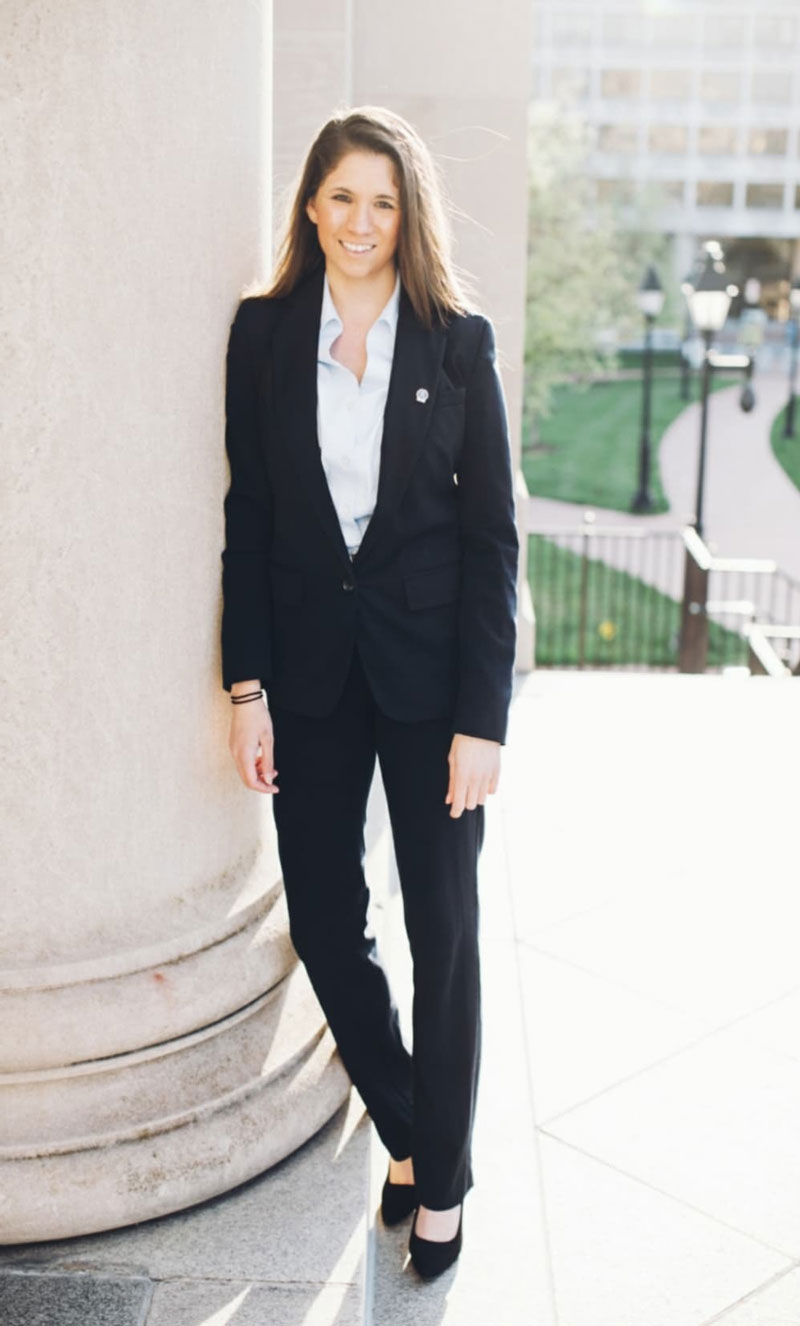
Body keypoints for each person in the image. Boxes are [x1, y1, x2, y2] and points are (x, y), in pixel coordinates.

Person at [220, 105, 518, 1279]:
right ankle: (410, 1126)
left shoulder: (455, 339)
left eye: (382, 202)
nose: (360, 221)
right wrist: (246, 686)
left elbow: (492, 538)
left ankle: (436, 1186)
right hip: (308, 677)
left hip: (434, 684)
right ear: (310, 205)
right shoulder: (262, 333)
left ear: (408, 216)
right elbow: (247, 518)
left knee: (443, 935)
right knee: (325, 924)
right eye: (341, 197)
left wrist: (480, 722)